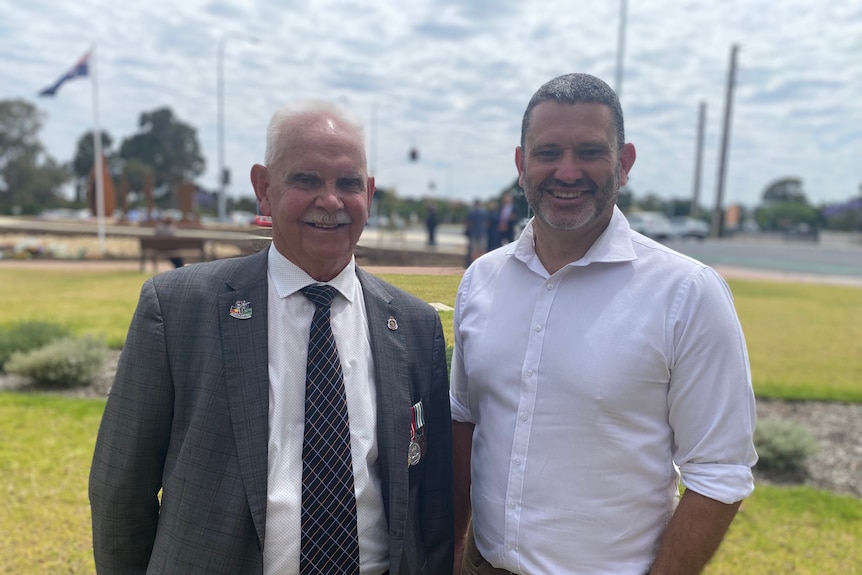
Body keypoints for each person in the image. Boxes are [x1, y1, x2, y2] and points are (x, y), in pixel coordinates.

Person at [89, 100, 454, 574]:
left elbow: (433, 502)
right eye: (306, 180)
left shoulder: (413, 324)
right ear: (263, 189)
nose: (330, 201)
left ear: (369, 192)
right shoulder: (177, 308)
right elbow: (121, 491)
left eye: (348, 183)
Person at [450, 73, 757, 574]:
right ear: (521, 164)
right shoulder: (482, 280)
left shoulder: (687, 293)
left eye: (589, 151)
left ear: (625, 163)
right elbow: (464, 419)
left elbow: (720, 471)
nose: (567, 172)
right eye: (548, 152)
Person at [464, 199, 487, 266]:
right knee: (482, 249)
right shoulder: (483, 212)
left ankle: (474, 264)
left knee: (474, 250)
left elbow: (468, 224)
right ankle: (481, 263)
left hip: (473, 233)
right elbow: (486, 223)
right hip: (482, 233)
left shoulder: (471, 213)